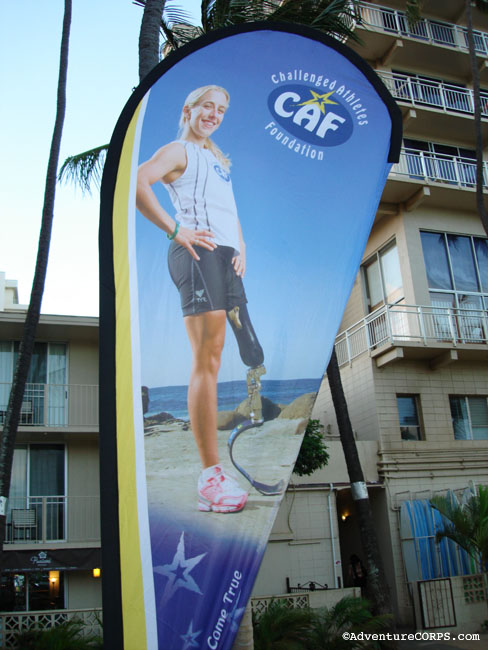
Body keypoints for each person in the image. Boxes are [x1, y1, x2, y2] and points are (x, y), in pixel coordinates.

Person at [136, 85, 265, 514]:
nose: (214, 114)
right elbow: (138, 182)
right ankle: (210, 477)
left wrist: (241, 248)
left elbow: (230, 211)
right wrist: (176, 230)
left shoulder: (217, 160)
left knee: (232, 350)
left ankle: (215, 472)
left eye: (221, 109)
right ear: (188, 109)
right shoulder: (179, 150)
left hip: (225, 257)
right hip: (197, 254)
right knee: (207, 358)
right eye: (207, 106)